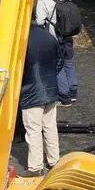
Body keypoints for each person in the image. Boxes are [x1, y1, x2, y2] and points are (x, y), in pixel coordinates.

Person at [19, 22, 61, 177]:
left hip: (31, 90)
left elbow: (20, 68)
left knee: (33, 130)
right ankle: (54, 161)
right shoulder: (49, 37)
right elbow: (60, 60)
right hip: (50, 88)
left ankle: (36, 167)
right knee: (50, 126)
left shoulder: (23, 39)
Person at [34, 0, 78, 106]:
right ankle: (73, 91)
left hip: (54, 37)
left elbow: (40, 21)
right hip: (67, 35)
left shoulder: (43, 0)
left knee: (57, 67)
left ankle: (64, 97)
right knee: (68, 63)